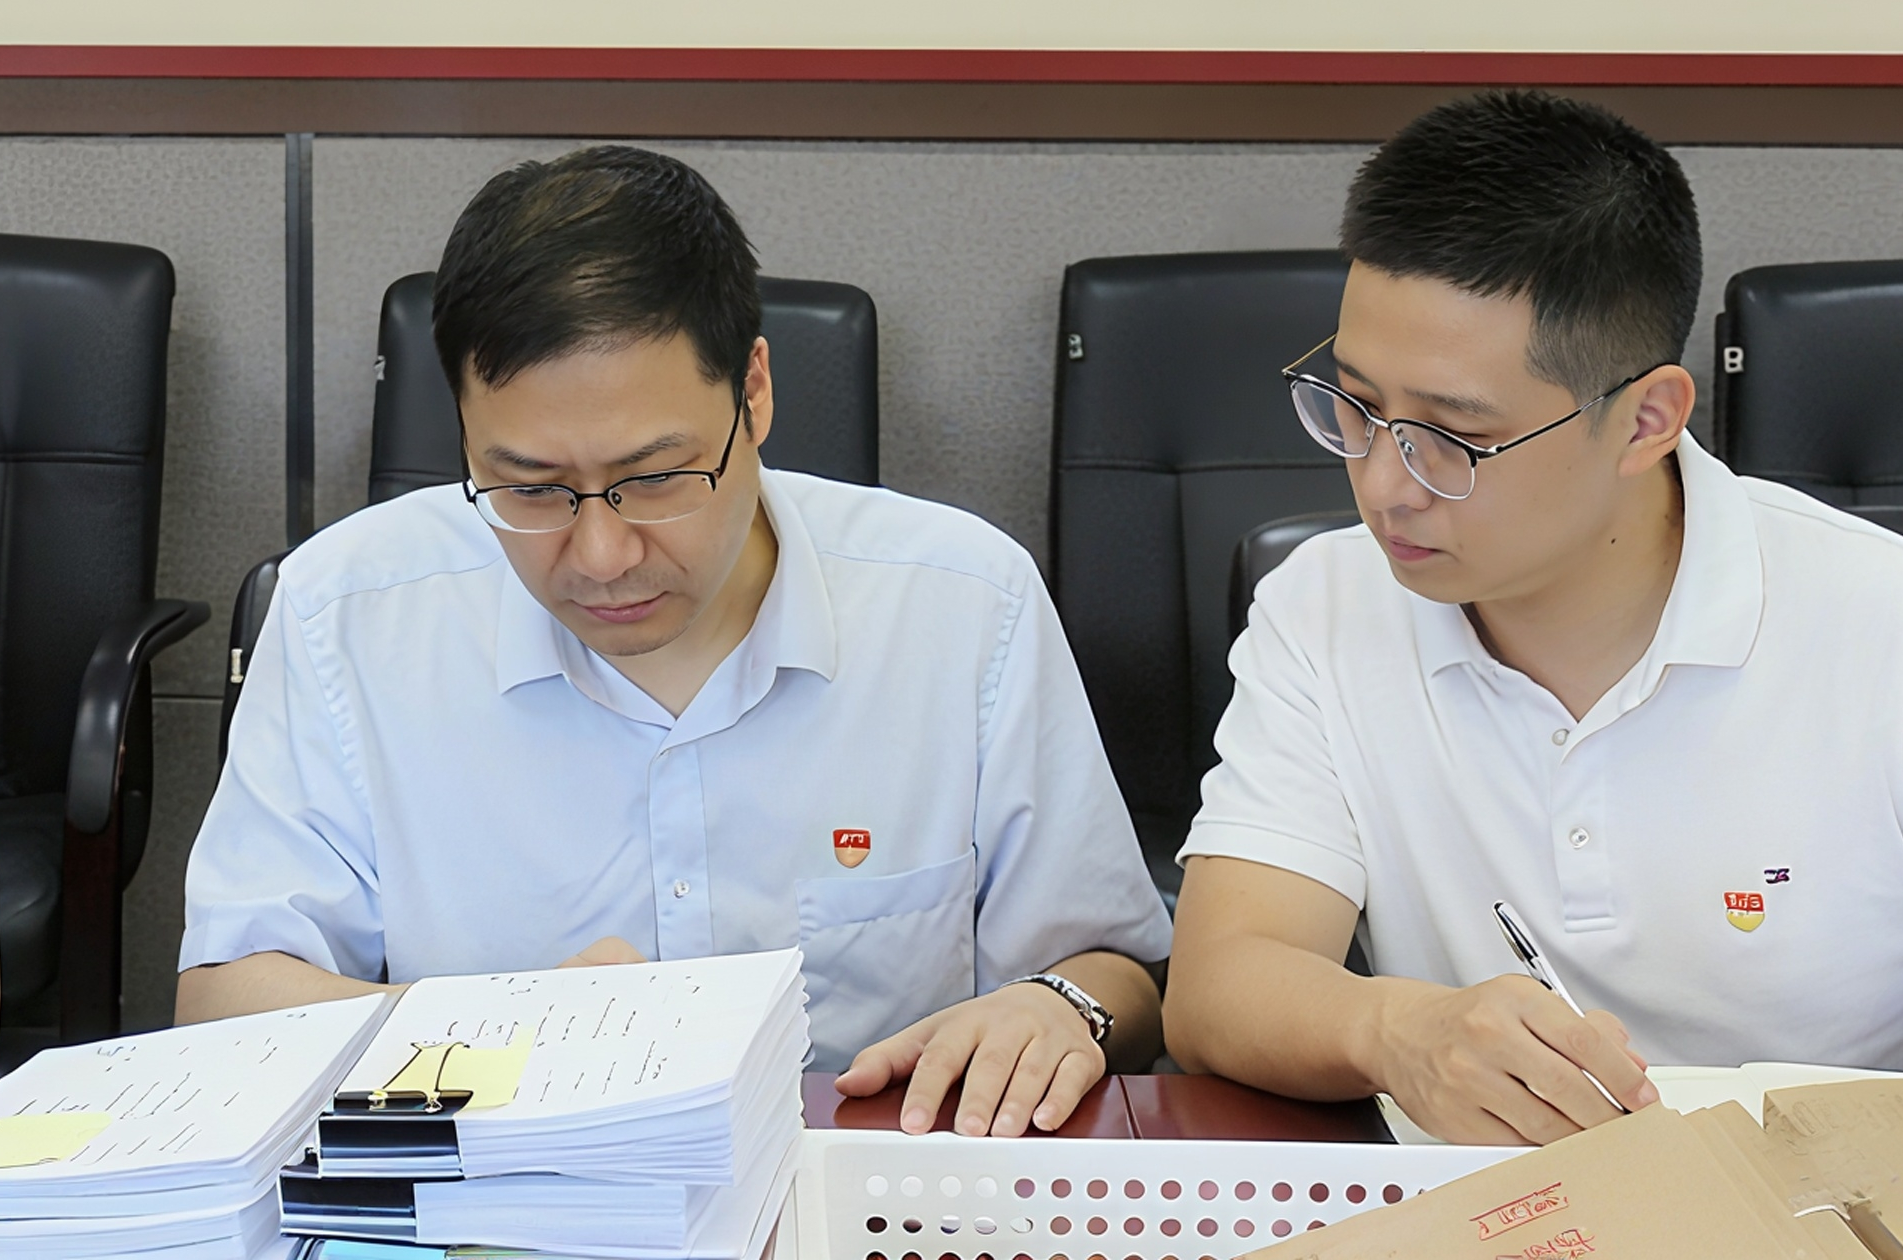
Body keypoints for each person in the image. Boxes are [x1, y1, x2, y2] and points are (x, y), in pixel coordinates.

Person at [1166, 91, 1903, 1142]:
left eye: (1455, 437)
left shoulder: (1899, 626)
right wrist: (1396, 1030)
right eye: (1359, 405)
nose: (1384, 486)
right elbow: (1221, 982)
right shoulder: (1327, 602)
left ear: (1646, 421)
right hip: (1495, 1208)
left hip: (1845, 1206)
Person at [180, 146, 1168, 1139]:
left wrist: (1060, 1007)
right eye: (530, 488)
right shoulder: (347, 613)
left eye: (655, 479)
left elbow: (1115, 970)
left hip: (872, 1185)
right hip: (506, 1189)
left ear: (754, 393)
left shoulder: (962, 604)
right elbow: (223, 1000)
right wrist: (487, 1031)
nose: (602, 556)